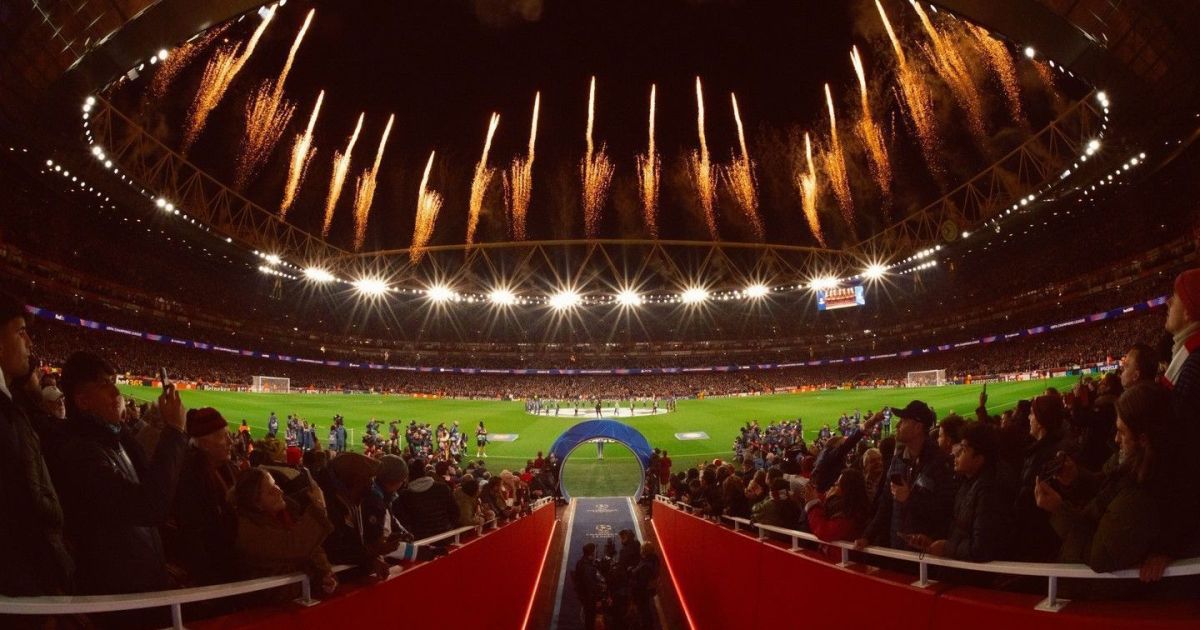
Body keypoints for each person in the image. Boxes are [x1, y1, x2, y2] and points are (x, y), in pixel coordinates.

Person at [52, 351, 189, 595]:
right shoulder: (81, 456)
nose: (116, 392)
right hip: (120, 598)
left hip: (143, 585)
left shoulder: (113, 438)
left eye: (113, 383)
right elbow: (150, 506)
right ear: (83, 401)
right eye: (104, 385)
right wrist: (176, 431)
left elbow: (153, 483)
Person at [1036, 384, 1169, 577]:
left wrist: (1058, 510)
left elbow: (1098, 556)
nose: (1116, 439)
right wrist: (1077, 477)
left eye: (1122, 432)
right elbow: (1107, 487)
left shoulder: (1140, 496)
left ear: (1143, 439)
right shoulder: (1130, 461)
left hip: (1093, 589)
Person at [0, 294, 73, 596]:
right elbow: (25, 503)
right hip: (21, 586)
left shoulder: (13, 405)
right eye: (20, 331)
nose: (30, 342)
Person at [857, 400, 956, 551]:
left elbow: (945, 510)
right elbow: (885, 503)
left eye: (903, 421)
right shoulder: (898, 460)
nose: (897, 425)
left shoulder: (940, 463)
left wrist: (910, 499)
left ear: (917, 427)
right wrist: (867, 536)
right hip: (897, 548)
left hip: (924, 554)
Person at [912, 423, 1011, 563]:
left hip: (972, 577)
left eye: (963, 450)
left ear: (979, 458)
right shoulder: (967, 483)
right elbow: (959, 528)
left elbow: (980, 548)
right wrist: (933, 540)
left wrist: (947, 547)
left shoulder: (988, 491)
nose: (956, 454)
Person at [232, 467, 336, 598]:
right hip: (265, 607)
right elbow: (293, 547)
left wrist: (324, 573)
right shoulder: (247, 530)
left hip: (296, 597)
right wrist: (319, 508)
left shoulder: (286, 515)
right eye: (271, 491)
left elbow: (313, 549)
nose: (280, 491)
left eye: (276, 484)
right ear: (256, 503)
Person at [168, 407, 238, 586]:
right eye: (224, 436)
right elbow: (196, 534)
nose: (231, 442)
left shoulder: (225, 467)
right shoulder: (192, 476)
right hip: (213, 572)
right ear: (205, 443)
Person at [1011, 393, 1071, 562]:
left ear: (1041, 421)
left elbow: (1029, 504)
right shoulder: (1045, 448)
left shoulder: (1043, 456)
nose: (1029, 418)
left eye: (1032, 414)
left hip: (1037, 540)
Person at [394, 458, 459, 540]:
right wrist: (447, 527)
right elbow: (455, 512)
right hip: (443, 537)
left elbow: (403, 522)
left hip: (422, 541)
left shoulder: (404, 495)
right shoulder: (443, 488)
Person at [802, 468, 871, 542]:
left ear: (846, 489)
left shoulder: (849, 513)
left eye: (837, 485)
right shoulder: (841, 506)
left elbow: (825, 532)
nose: (832, 487)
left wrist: (813, 504)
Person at [574, 542, 605, 630]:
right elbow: (591, 587)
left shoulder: (580, 562)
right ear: (592, 553)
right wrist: (598, 600)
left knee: (589, 618)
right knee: (590, 619)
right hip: (589, 599)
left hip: (583, 595)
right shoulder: (588, 568)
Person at [631, 542, 660, 629]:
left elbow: (641, 583)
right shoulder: (653, 560)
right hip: (648, 593)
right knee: (647, 611)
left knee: (644, 613)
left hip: (641, 594)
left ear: (644, 551)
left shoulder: (646, 565)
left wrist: (633, 573)